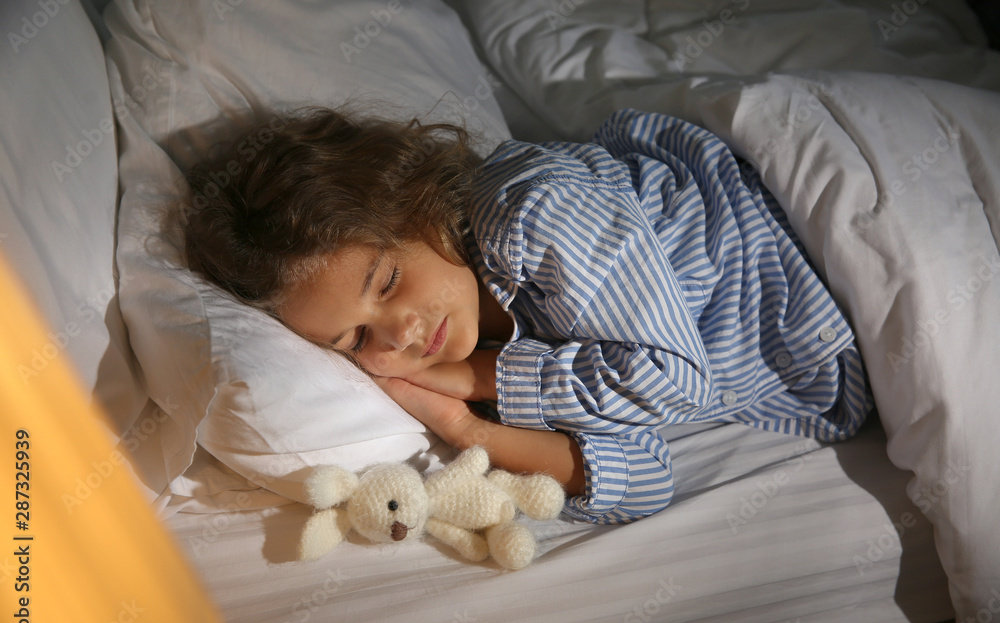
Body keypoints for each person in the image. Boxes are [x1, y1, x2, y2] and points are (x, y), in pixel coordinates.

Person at [183, 106, 871, 524]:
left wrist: (485, 380)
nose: (398, 332)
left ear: (414, 202)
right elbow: (647, 477)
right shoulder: (494, 360)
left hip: (820, 244)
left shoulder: (526, 210)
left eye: (388, 280)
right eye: (357, 336)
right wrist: (463, 425)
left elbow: (676, 381)